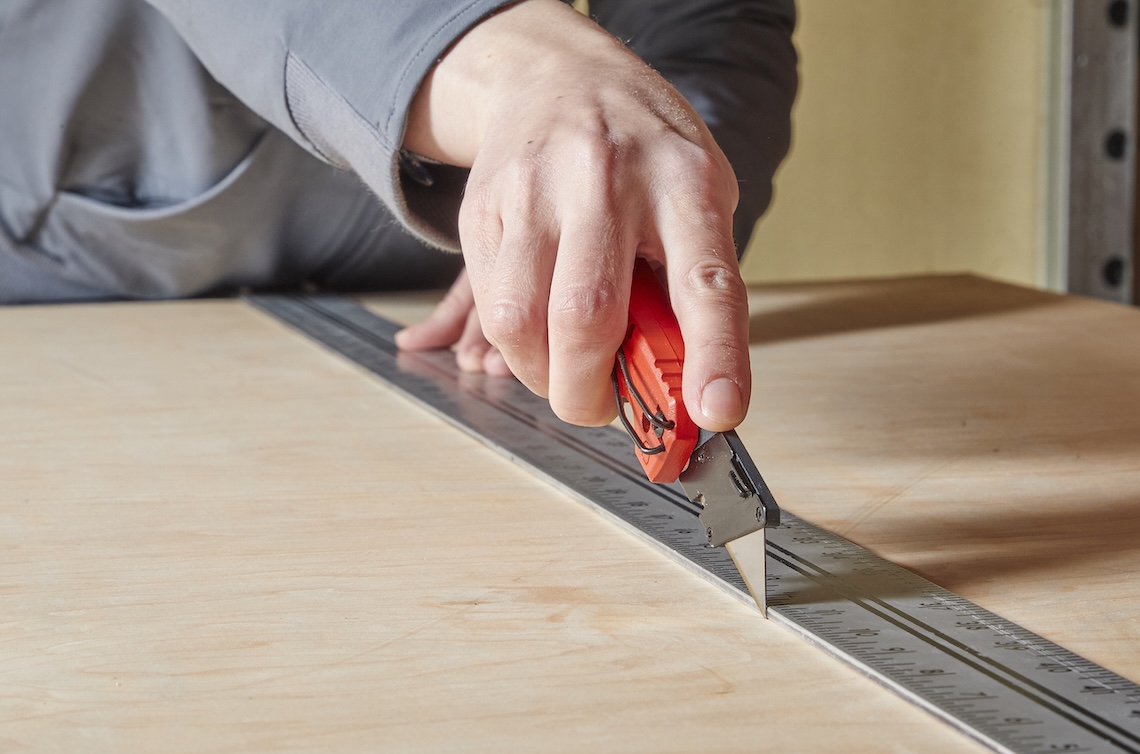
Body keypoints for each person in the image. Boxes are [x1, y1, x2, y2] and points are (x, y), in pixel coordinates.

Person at [0, 0, 797, 431]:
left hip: (433, 291)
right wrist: (523, 67)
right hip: (82, 291)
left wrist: (629, 201)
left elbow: (707, 22)